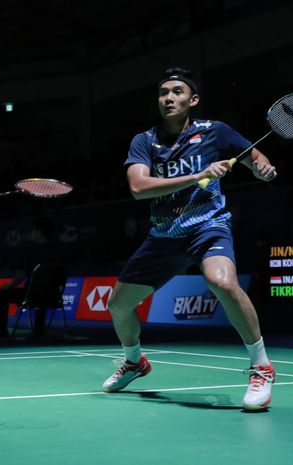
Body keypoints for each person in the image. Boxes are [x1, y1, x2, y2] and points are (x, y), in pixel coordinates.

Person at [103, 68, 278, 411]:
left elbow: (255, 158)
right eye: (163, 93)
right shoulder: (145, 140)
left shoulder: (216, 132)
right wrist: (197, 175)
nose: (168, 98)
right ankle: (135, 362)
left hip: (207, 226)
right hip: (165, 234)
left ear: (192, 100)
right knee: (118, 306)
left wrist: (262, 168)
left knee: (222, 282)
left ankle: (262, 367)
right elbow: (138, 187)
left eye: (177, 92)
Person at [0, 217, 56, 339]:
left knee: (3, 293)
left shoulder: (31, 250)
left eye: (33, 230)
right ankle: (39, 329)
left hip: (32, 296)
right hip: (54, 296)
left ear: (39, 232)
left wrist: (9, 286)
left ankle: (1, 330)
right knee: (42, 292)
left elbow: (21, 276)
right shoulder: (57, 249)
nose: (31, 233)